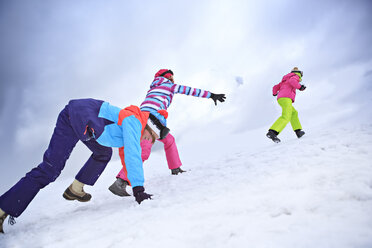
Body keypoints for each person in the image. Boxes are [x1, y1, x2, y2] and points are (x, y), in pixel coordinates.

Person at [0, 98, 169, 233]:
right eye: (151, 136)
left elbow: (127, 156)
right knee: (50, 169)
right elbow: (133, 154)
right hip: (74, 117)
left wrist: (127, 181)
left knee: (104, 153)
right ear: (149, 125)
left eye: (152, 140)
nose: (149, 140)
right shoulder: (134, 121)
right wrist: (138, 190)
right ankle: (2, 209)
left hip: (84, 124)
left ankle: (75, 189)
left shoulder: (132, 127)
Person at [108, 69, 226, 196]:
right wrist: (211, 95)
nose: (173, 79)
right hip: (150, 122)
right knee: (143, 151)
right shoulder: (168, 85)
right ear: (167, 77)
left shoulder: (154, 88)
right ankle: (121, 181)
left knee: (169, 140)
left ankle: (175, 168)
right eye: (172, 77)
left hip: (145, 119)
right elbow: (189, 90)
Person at [266, 67, 306, 143]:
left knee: (293, 113)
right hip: (286, 98)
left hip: (281, 98)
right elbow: (292, 81)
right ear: (299, 73)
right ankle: (273, 132)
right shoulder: (295, 76)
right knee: (286, 116)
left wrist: (275, 93)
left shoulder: (284, 80)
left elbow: (275, 87)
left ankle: (298, 131)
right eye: (301, 74)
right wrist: (300, 87)